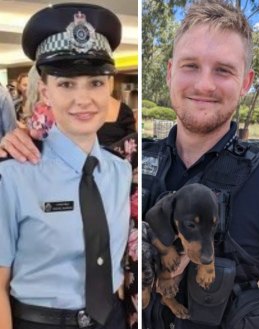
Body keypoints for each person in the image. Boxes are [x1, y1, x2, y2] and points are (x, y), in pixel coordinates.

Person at [141, 1, 259, 329]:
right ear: (169, 72)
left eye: (223, 70)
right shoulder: (132, 165)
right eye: (190, 65)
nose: (204, 85)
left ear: (246, 82)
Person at [0, 3, 131, 329]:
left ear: (110, 88)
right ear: (45, 91)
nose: (83, 99)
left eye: (95, 82)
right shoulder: (13, 175)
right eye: (67, 84)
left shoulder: (122, 171)